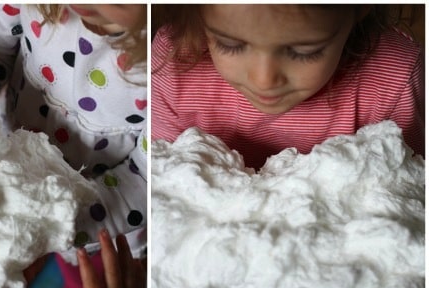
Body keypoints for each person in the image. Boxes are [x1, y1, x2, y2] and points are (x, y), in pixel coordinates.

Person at [0, 4, 147, 288]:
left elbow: (144, 179)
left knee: (86, 279)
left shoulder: (174, 66)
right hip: (12, 152)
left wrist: (49, 227)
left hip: (103, 217)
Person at [152, 4, 424, 169]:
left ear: (359, 10)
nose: (264, 80)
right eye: (230, 45)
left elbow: (408, 185)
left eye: (303, 51)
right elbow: (159, 166)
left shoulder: (395, 79)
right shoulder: (173, 60)